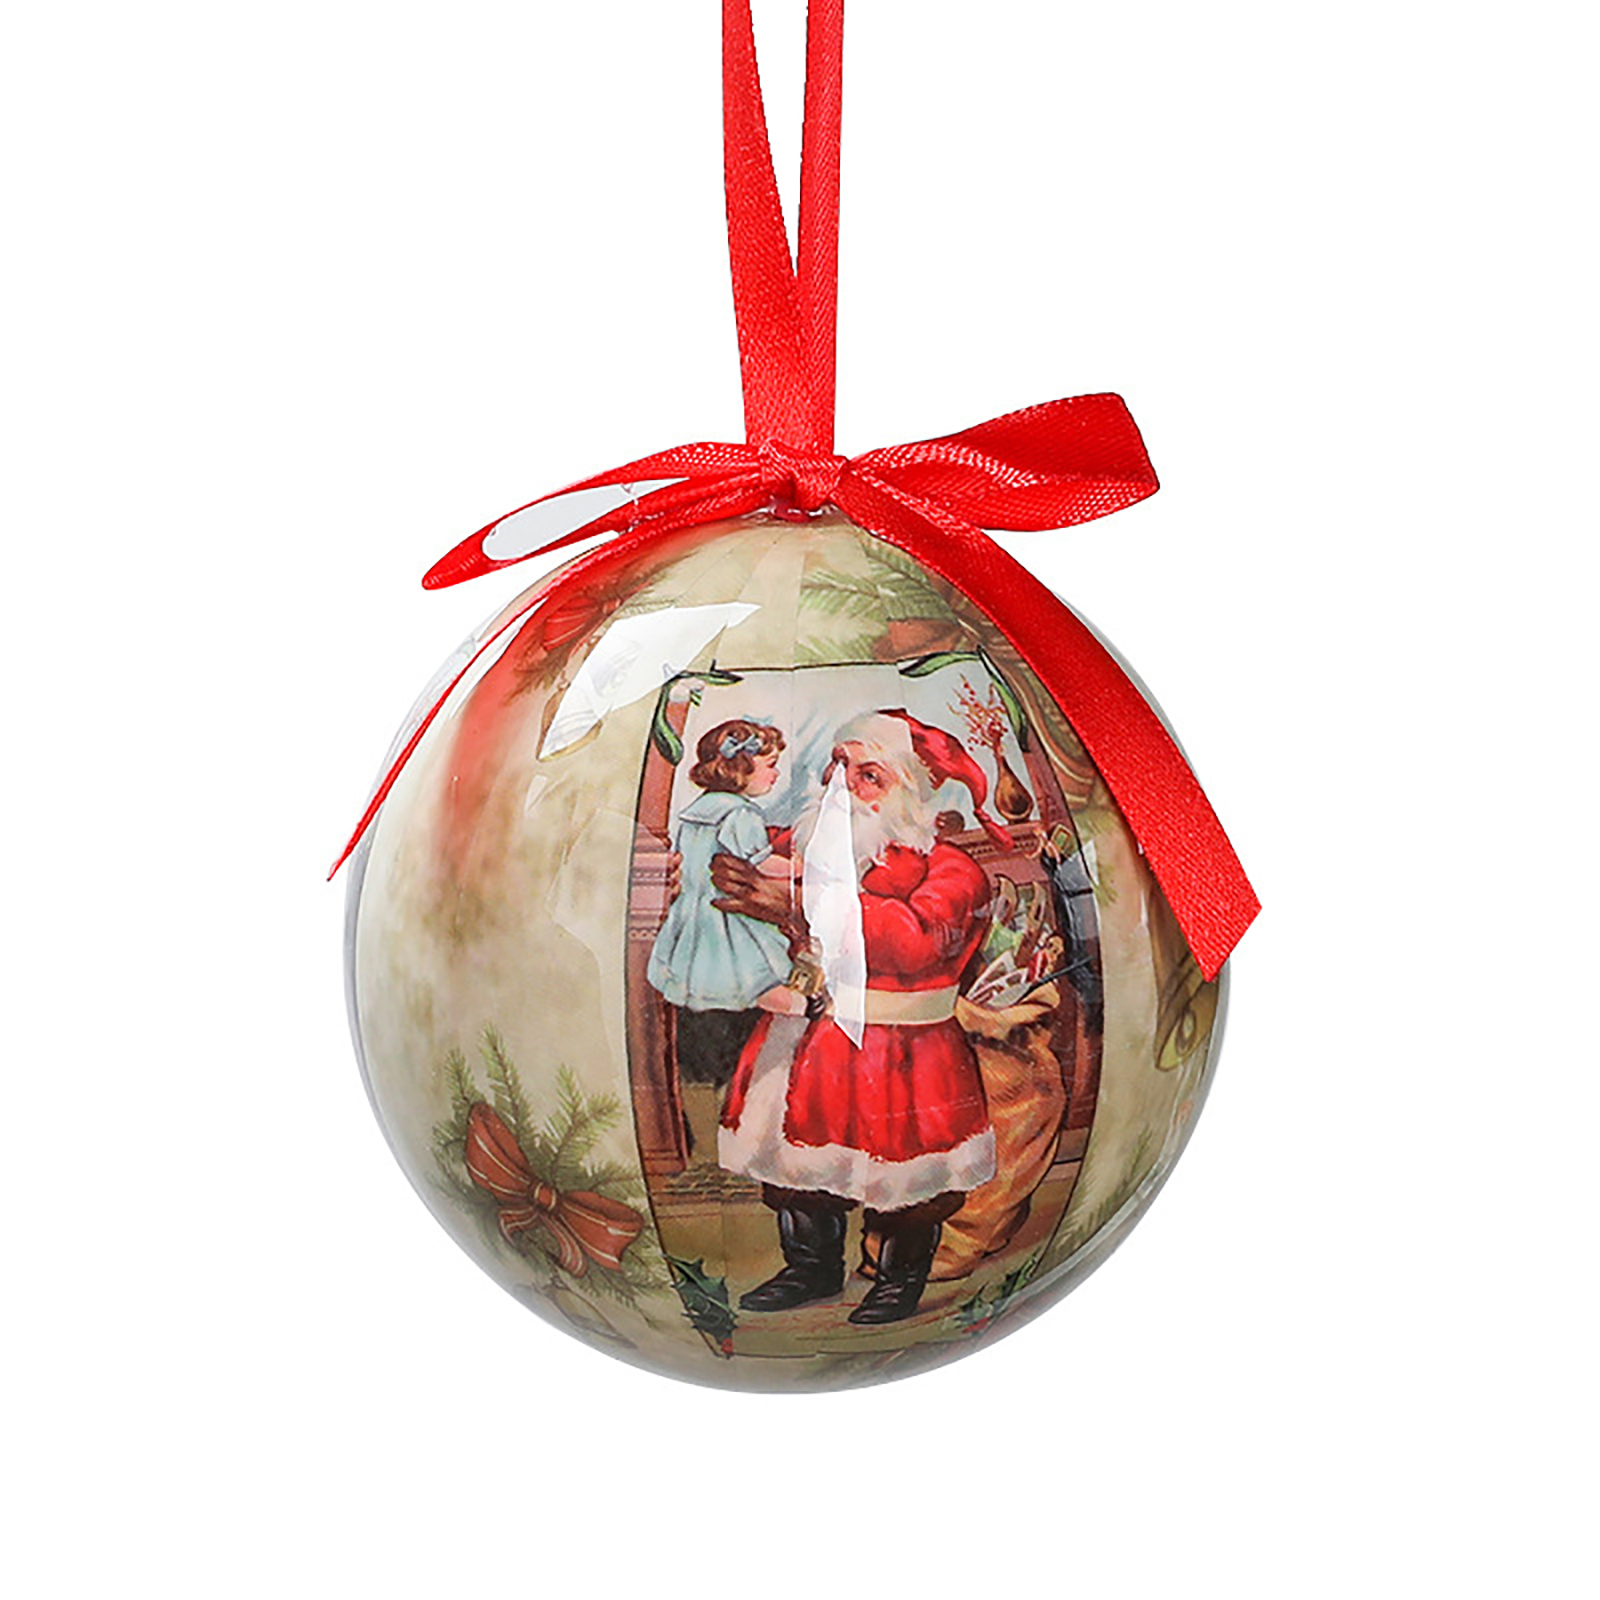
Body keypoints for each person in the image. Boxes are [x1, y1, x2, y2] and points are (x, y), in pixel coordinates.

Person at [712, 709, 1008, 1325]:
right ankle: (810, 1267)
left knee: (905, 1181)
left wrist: (803, 906)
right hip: (811, 1037)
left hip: (904, 1052)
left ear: (911, 792)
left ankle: (899, 1278)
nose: (844, 785)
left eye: (869, 774)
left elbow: (920, 939)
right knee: (793, 1166)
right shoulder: (804, 849)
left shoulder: (951, 870)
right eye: (839, 767)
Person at [647, 719, 805, 1088]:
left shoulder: (698, 809)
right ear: (740, 769)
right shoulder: (740, 814)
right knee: (752, 968)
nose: (775, 774)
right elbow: (759, 862)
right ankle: (793, 1006)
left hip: (693, 910)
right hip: (724, 912)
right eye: (770, 765)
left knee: (700, 968)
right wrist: (799, 868)